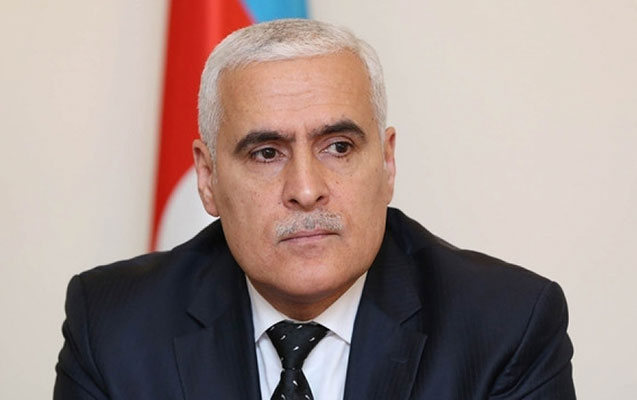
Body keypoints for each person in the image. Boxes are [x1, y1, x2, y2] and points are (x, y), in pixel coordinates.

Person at [54, 19, 575, 400]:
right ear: (208, 179)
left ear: (387, 163)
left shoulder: (506, 325)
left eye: (338, 147)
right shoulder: (112, 327)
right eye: (266, 153)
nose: (306, 190)